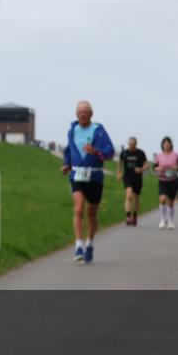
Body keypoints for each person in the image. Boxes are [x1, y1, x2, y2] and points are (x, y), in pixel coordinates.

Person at [60, 101, 116, 263]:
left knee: (91, 213)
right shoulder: (72, 131)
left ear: (91, 114)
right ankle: (78, 245)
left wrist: (96, 152)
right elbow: (69, 151)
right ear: (76, 114)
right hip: (77, 175)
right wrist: (66, 164)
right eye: (79, 112)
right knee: (78, 209)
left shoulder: (99, 131)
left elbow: (110, 152)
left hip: (95, 177)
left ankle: (89, 243)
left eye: (85, 112)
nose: (82, 115)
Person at [116, 137, 148, 226]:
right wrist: (119, 173)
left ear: (136, 144)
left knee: (136, 198)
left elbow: (146, 165)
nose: (131, 146)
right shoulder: (124, 153)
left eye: (133, 144)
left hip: (137, 177)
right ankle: (128, 217)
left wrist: (141, 169)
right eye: (130, 144)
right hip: (127, 176)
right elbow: (119, 163)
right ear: (128, 144)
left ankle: (134, 216)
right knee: (129, 195)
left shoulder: (140, 153)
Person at [153, 137, 178, 229]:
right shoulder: (159, 156)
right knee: (162, 199)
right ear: (162, 145)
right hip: (162, 180)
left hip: (173, 180)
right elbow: (154, 167)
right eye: (164, 143)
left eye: (168, 143)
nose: (166, 145)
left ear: (171, 145)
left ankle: (171, 221)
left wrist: (176, 167)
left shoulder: (176, 155)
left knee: (171, 203)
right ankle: (163, 219)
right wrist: (158, 168)